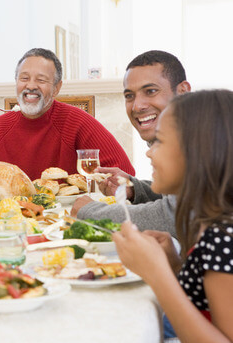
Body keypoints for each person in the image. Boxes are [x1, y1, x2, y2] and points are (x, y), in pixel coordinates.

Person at [113, 89, 233, 343]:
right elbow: (207, 308)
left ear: (199, 153)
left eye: (159, 142)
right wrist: (177, 265)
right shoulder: (212, 225)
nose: (149, 152)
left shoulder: (222, 239)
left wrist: (157, 274)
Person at [0, 48, 135, 185]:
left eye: (41, 80)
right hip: (6, 223)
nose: (31, 86)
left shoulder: (77, 122)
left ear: (57, 88)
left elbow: (126, 174)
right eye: (24, 78)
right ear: (16, 82)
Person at [72, 50, 191, 236]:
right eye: (129, 96)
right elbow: (183, 199)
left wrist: (91, 212)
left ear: (183, 91)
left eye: (150, 91)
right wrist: (134, 189)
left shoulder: (202, 142)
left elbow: (175, 217)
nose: (137, 106)